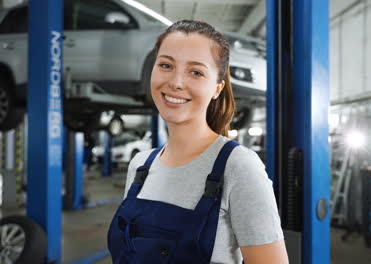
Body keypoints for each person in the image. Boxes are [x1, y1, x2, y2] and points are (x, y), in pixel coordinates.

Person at [107, 20, 288, 264]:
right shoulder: (140, 166)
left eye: (196, 72)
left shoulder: (238, 167)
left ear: (217, 88)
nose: (176, 82)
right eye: (165, 65)